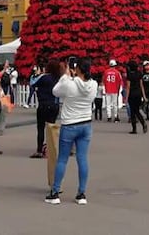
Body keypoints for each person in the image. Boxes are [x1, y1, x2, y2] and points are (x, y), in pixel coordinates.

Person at [45, 58, 97, 205]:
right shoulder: (93, 84)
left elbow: (55, 92)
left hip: (69, 124)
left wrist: (65, 76)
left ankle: (55, 193)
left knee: (62, 159)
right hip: (86, 123)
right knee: (82, 159)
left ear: (77, 69)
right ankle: (81, 193)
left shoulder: (69, 84)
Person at [30, 59, 61, 158]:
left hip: (43, 105)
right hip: (54, 105)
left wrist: (36, 74)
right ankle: (50, 148)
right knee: (51, 128)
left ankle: (39, 150)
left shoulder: (44, 77)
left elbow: (32, 83)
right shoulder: (59, 78)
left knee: (41, 128)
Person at [125, 60, 148, 134]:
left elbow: (128, 87)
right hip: (138, 94)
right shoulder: (139, 74)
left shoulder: (129, 75)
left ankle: (134, 129)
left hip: (132, 95)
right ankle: (143, 123)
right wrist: (144, 96)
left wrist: (126, 98)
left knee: (132, 112)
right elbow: (141, 85)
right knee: (137, 111)